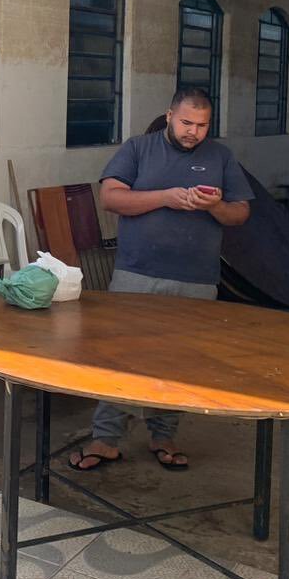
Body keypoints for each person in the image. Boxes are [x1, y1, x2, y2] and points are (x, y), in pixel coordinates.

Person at [69, 87, 252, 473]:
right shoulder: (139, 148)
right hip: (137, 273)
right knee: (119, 358)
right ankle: (105, 439)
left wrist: (215, 205)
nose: (193, 132)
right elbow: (111, 198)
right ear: (169, 115)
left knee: (179, 362)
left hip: (197, 280)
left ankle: (163, 435)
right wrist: (165, 197)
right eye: (186, 122)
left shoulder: (221, 156)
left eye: (202, 125)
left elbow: (240, 215)